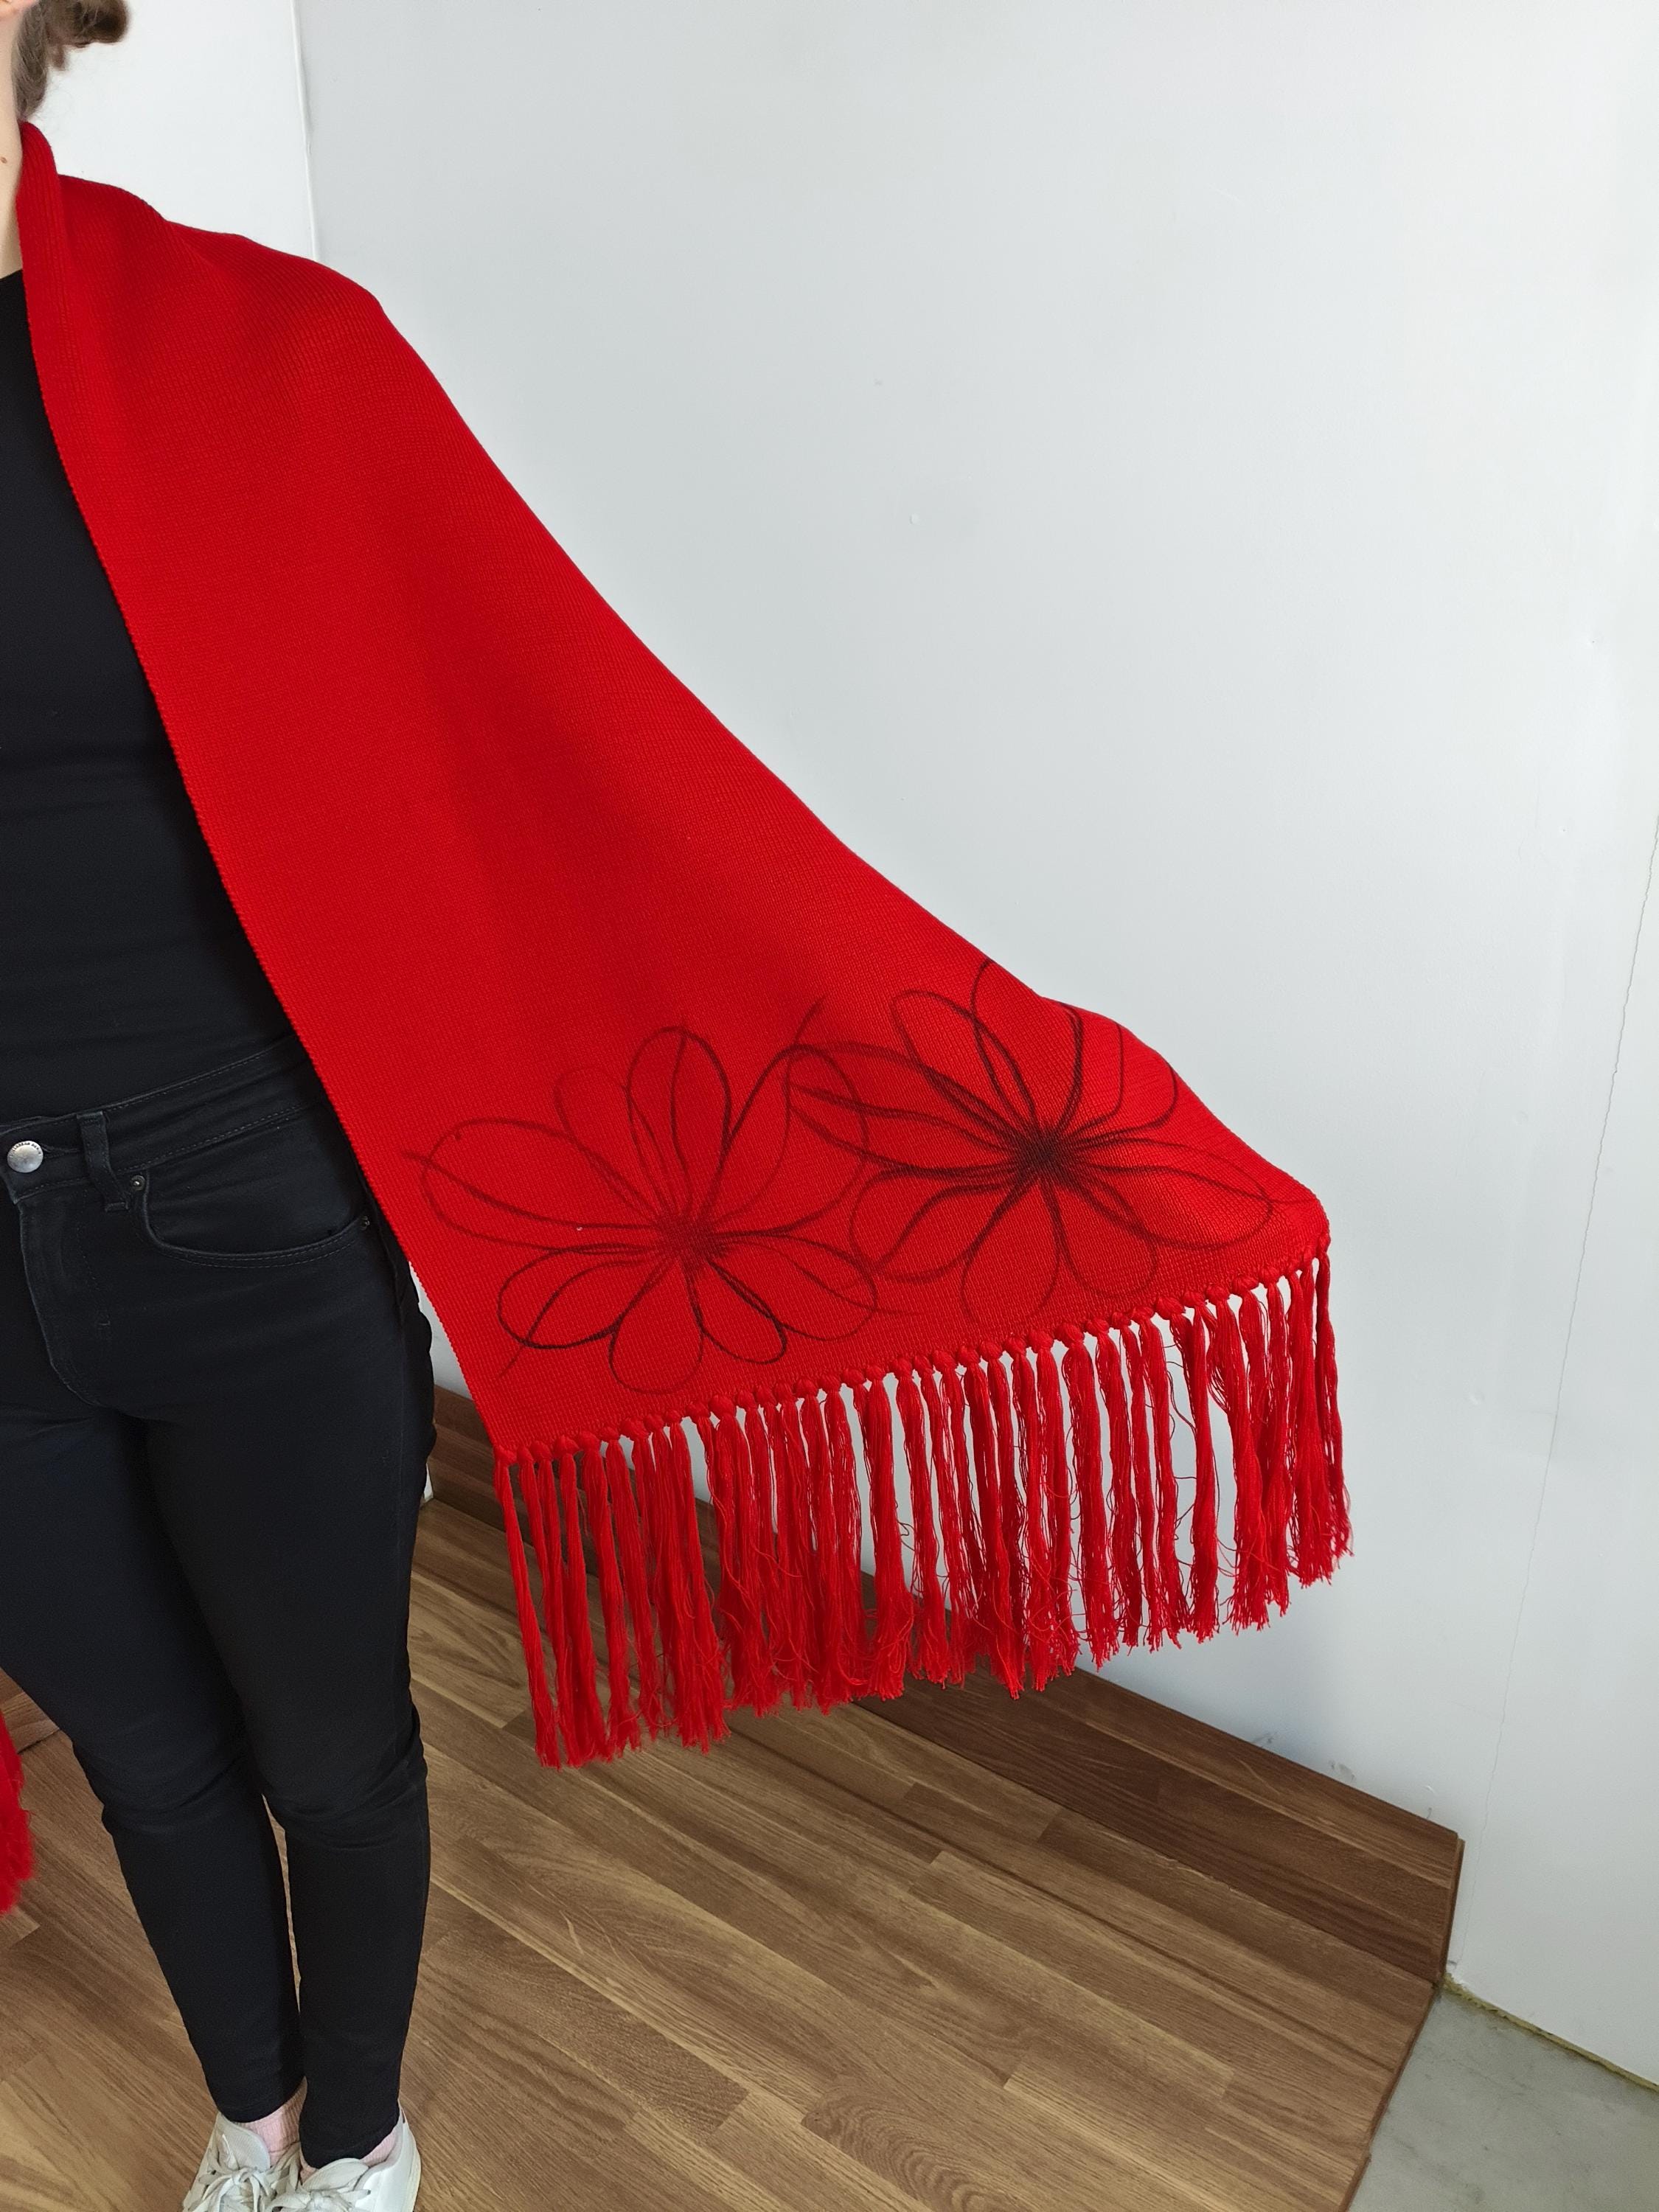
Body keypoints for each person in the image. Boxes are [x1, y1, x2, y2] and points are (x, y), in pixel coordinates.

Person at [1, 4, 432, 2202]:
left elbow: (505, 780)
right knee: (147, 1753)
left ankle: (357, 2145)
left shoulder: (260, 356)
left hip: (243, 1207)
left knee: (325, 1750)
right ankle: (249, 2123)